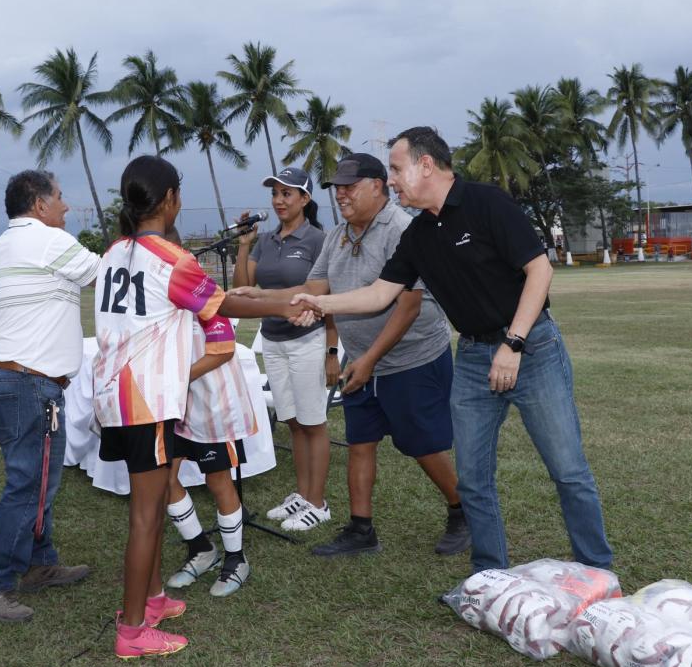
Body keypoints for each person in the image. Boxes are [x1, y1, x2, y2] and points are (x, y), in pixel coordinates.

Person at [292, 127, 613, 576]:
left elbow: (540, 270)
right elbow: (380, 293)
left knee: (567, 470)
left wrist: (513, 343)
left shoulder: (487, 203)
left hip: (531, 347)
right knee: (473, 480)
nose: (395, 181)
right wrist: (320, 302)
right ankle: (489, 578)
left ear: (427, 165)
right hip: (475, 357)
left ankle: (597, 571)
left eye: (398, 171)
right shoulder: (420, 234)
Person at [94, 156, 308, 659]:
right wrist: (284, 303)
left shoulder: (113, 253)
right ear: (170, 199)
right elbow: (224, 305)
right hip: (145, 402)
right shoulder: (171, 259)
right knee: (145, 516)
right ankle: (132, 631)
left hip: (114, 397)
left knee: (149, 504)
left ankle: (152, 600)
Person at [233, 154, 470, 558]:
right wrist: (263, 297)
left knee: (421, 445)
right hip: (362, 358)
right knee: (361, 440)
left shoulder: (403, 230)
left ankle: (463, 511)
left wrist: (371, 359)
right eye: (337, 187)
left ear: (377, 186)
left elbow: (409, 306)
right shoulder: (339, 234)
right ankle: (362, 531)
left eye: (350, 186)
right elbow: (316, 288)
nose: (340, 194)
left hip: (410, 358)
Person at [0, 170, 100, 625]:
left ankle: (40, 563)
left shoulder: (2, 246)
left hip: (1, 382)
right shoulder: (48, 241)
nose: (66, 206)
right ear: (39, 205)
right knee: (28, 486)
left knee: (34, 479)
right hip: (29, 386)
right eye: (60, 197)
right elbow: (105, 273)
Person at [232, 166, 336, 532]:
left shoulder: (318, 240)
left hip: (308, 340)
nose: (278, 200)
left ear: (305, 199)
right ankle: (303, 493)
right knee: (293, 421)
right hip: (273, 340)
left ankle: (318, 503)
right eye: (274, 193)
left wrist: (332, 352)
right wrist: (244, 246)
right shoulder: (268, 239)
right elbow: (243, 288)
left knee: (313, 422)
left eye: (286, 193)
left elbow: (328, 296)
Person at [163, 228, 257, 599]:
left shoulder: (198, 288)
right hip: (173, 404)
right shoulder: (155, 292)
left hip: (213, 403)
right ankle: (201, 549)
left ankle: (237, 559)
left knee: (219, 481)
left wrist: (175, 379)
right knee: (163, 478)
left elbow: (223, 349)